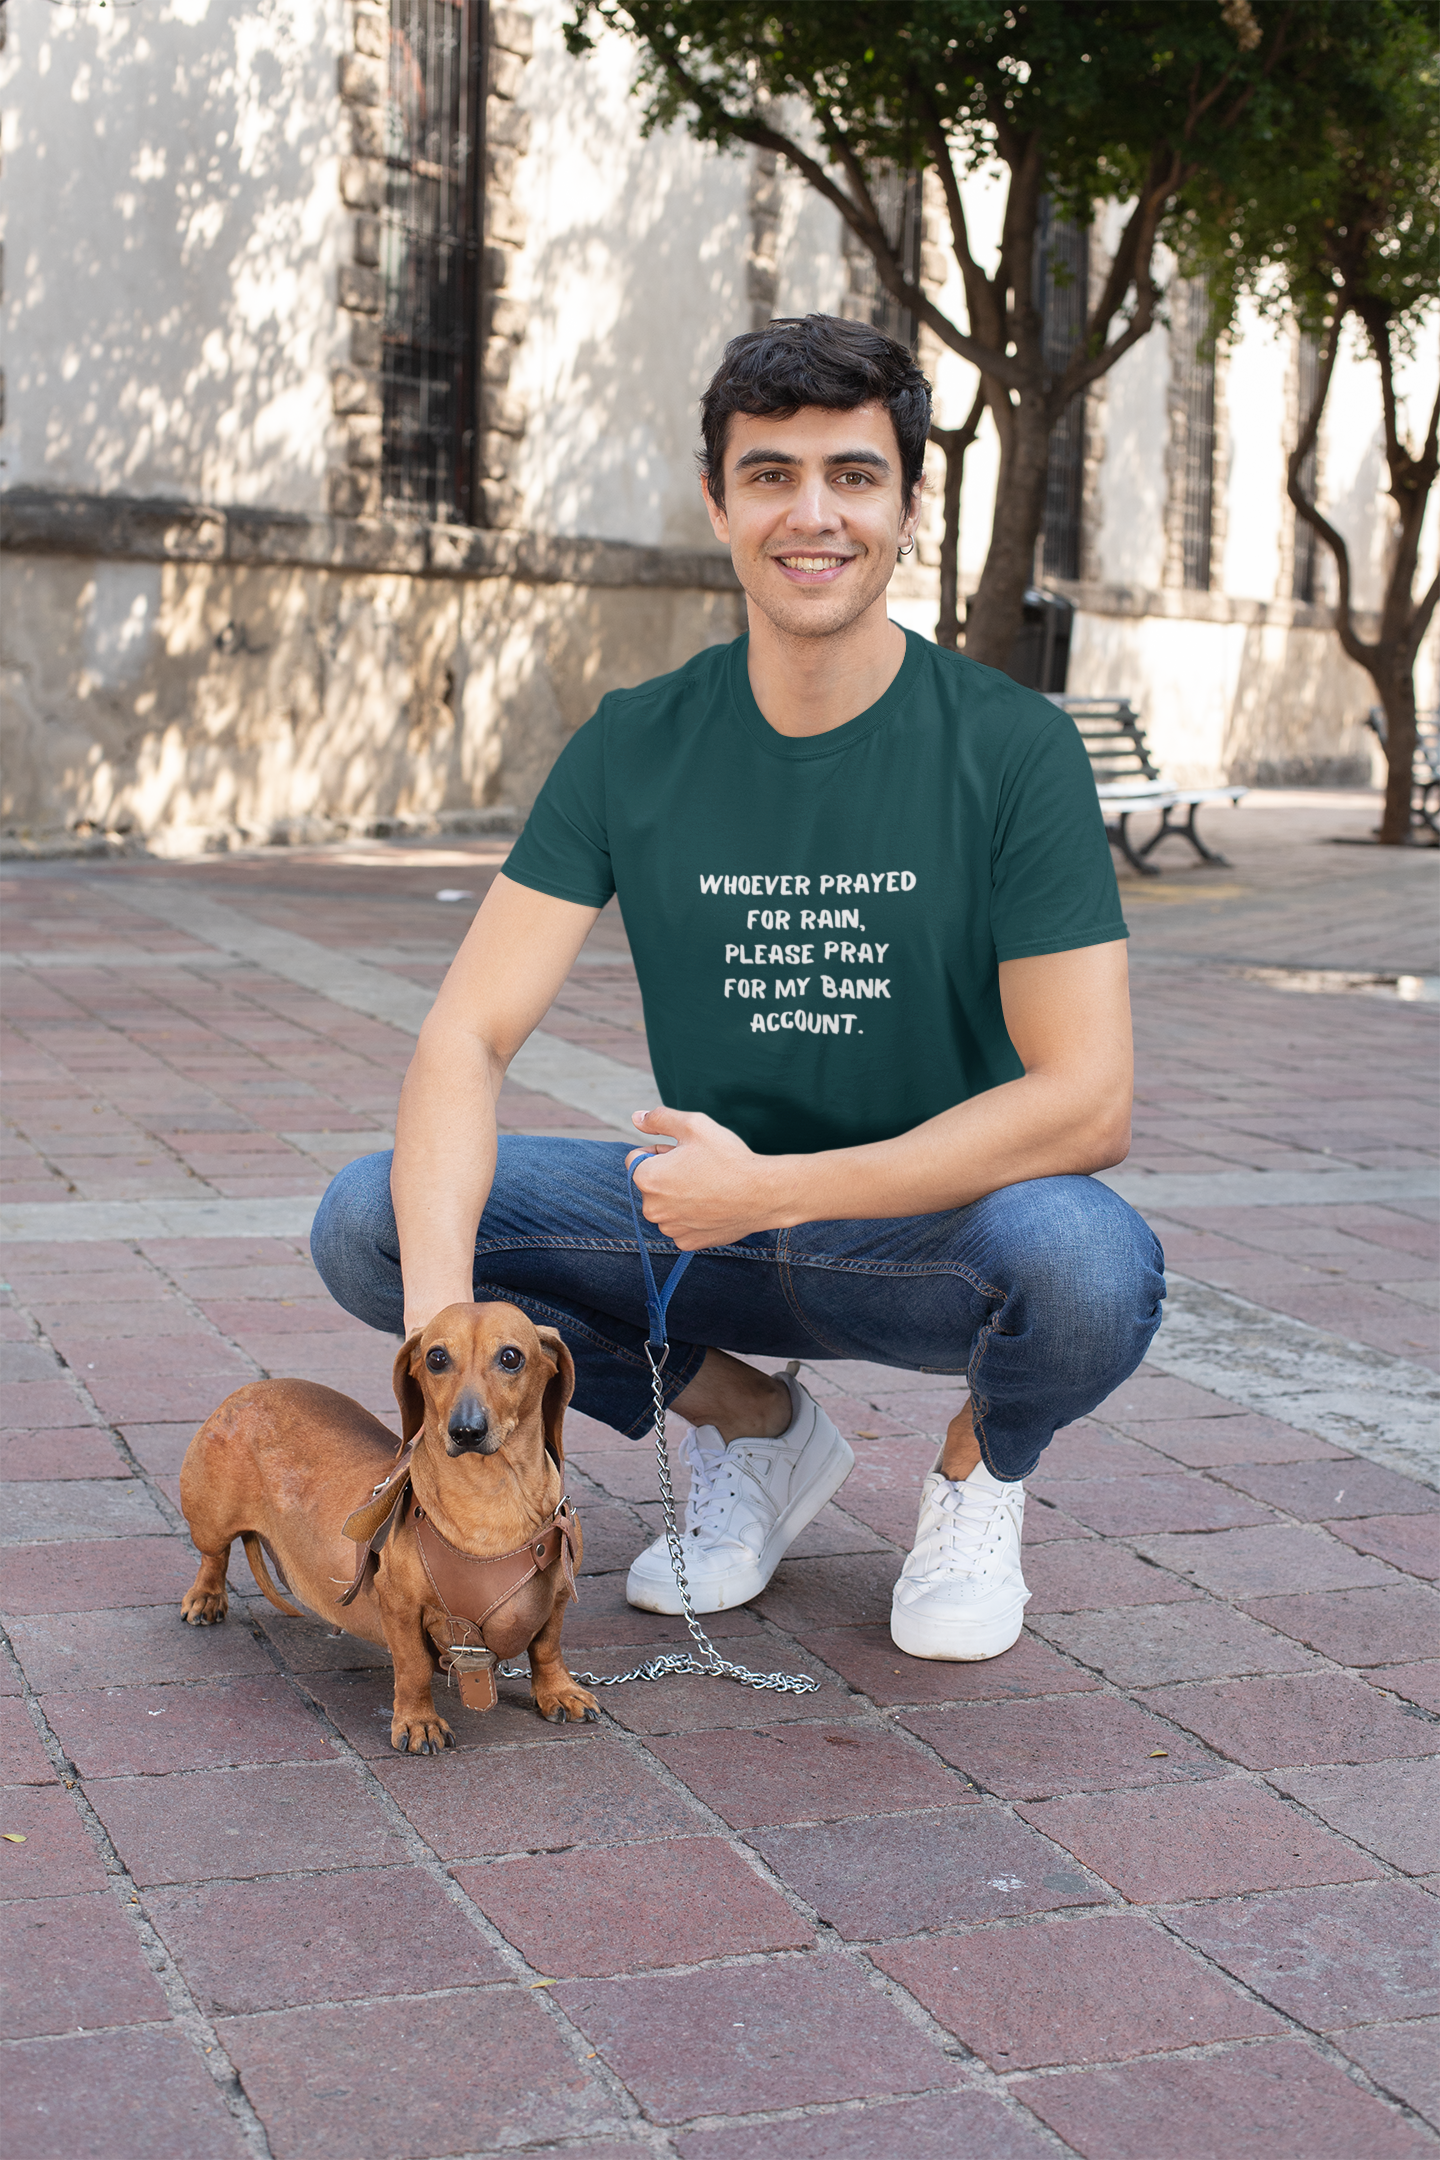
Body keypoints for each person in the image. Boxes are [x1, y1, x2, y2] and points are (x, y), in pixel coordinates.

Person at [311, 313, 1165, 1663]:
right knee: (372, 1219)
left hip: (921, 1231)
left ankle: (975, 1470)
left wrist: (777, 1188)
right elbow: (466, 1037)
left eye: (852, 474)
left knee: (1088, 1261)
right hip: (695, 1216)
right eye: (771, 474)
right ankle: (755, 1432)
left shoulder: (1013, 750)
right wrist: (442, 1354)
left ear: (906, 504)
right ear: (718, 501)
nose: (811, 514)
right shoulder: (634, 743)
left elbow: (1088, 1103)